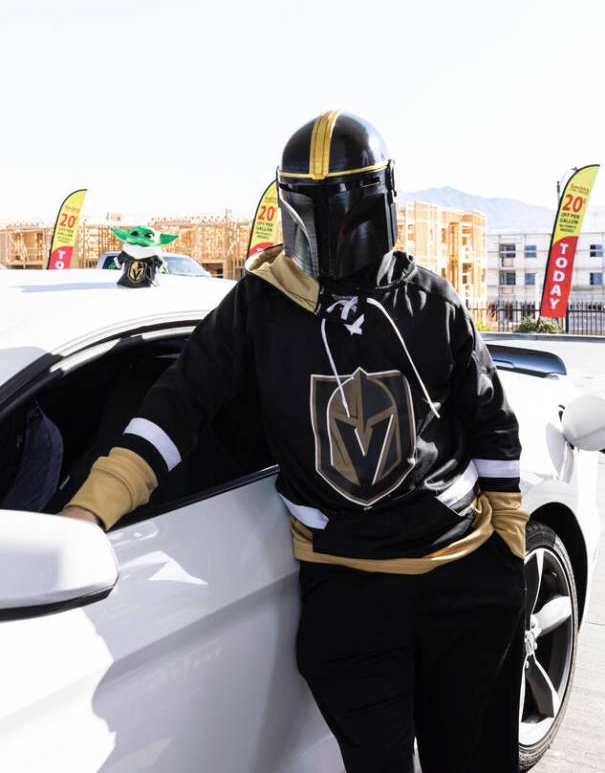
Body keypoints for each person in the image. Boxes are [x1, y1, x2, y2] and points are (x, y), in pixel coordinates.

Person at [59, 111, 526, 773]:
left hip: (466, 577)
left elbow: (490, 424)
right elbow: (175, 409)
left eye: (344, 204)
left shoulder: (428, 298)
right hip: (350, 593)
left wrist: (507, 538)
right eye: (311, 205)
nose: (331, 225)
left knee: (476, 761)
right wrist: (88, 511)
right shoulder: (259, 306)